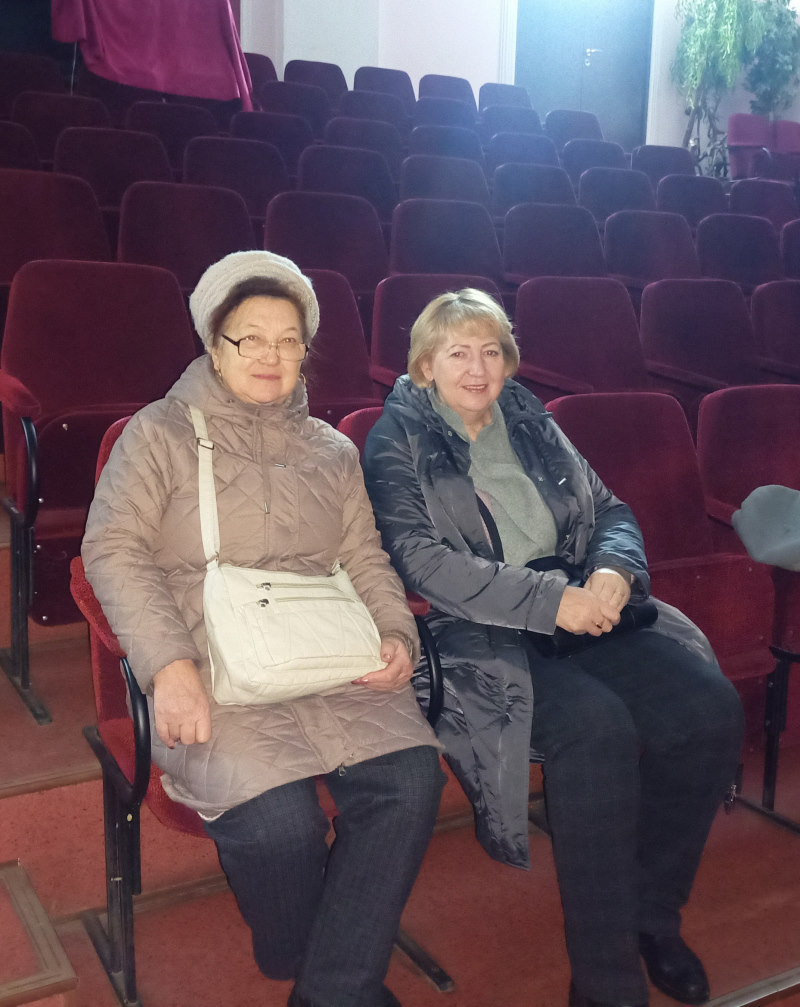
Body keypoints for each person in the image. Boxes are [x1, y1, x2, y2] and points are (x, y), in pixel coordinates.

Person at [361, 288, 744, 1007]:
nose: (477, 369)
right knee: (597, 730)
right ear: (424, 365)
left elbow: (611, 511)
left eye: (491, 351)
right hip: (476, 630)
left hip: (579, 609)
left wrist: (612, 571)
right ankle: (605, 982)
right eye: (457, 353)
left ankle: (651, 916)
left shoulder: (531, 418)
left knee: (708, 710)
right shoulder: (395, 439)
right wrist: (549, 600)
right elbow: (421, 561)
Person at [82, 250, 445, 1007]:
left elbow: (365, 556)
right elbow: (111, 550)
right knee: (280, 825)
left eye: (289, 340)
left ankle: (329, 987)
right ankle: (309, 959)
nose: (271, 355)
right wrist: (168, 666)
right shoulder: (157, 435)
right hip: (211, 666)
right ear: (214, 346)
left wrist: (396, 633)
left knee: (410, 781)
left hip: (327, 656)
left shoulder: (333, 450)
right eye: (250, 338)